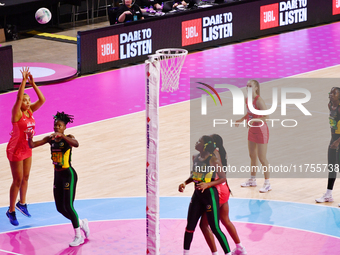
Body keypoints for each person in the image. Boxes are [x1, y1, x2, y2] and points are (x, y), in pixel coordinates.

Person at [27, 112, 90, 247]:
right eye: (55, 125)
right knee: (60, 208)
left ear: (64, 127)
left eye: (59, 125)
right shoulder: (50, 139)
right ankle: (82, 223)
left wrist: (62, 136)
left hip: (68, 175)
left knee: (68, 206)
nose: (56, 127)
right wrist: (29, 137)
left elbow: (76, 144)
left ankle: (78, 236)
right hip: (57, 176)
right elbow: (32, 145)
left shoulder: (68, 138)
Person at [6, 67, 46, 226]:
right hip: (15, 149)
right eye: (25, 100)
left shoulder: (30, 111)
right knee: (17, 180)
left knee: (26, 177)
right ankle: (11, 211)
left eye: (29, 100)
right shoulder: (17, 113)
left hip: (27, 148)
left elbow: (42, 100)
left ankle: (22, 204)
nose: (28, 102)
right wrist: (23, 81)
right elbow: (17, 99)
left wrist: (33, 84)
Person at [179, 135, 231, 255]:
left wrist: (208, 185)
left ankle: (228, 253)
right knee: (190, 226)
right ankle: (185, 253)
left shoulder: (213, 160)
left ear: (205, 146)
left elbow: (223, 178)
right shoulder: (195, 158)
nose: (196, 143)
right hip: (197, 195)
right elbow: (194, 175)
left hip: (210, 196)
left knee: (215, 228)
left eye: (199, 142)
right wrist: (185, 182)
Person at [198, 134, 247, 255]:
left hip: (216, 192)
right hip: (225, 190)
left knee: (204, 225)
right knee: (225, 220)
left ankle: (216, 253)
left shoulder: (212, 156)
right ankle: (240, 248)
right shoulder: (220, 152)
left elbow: (211, 177)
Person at [236, 79, 271, 193]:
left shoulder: (259, 100)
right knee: (252, 155)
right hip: (252, 130)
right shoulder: (247, 100)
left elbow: (267, 117)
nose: (248, 87)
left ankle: (267, 183)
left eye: (250, 86)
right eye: (247, 86)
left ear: (256, 88)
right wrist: (242, 119)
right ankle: (252, 179)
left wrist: (254, 120)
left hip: (261, 130)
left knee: (262, 158)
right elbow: (250, 112)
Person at [316, 87, 340, 206]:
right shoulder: (330, 105)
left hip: (339, 141)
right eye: (330, 92)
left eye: (334, 93)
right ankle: (328, 194)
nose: (331, 94)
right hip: (333, 139)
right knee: (331, 167)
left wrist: (338, 142)